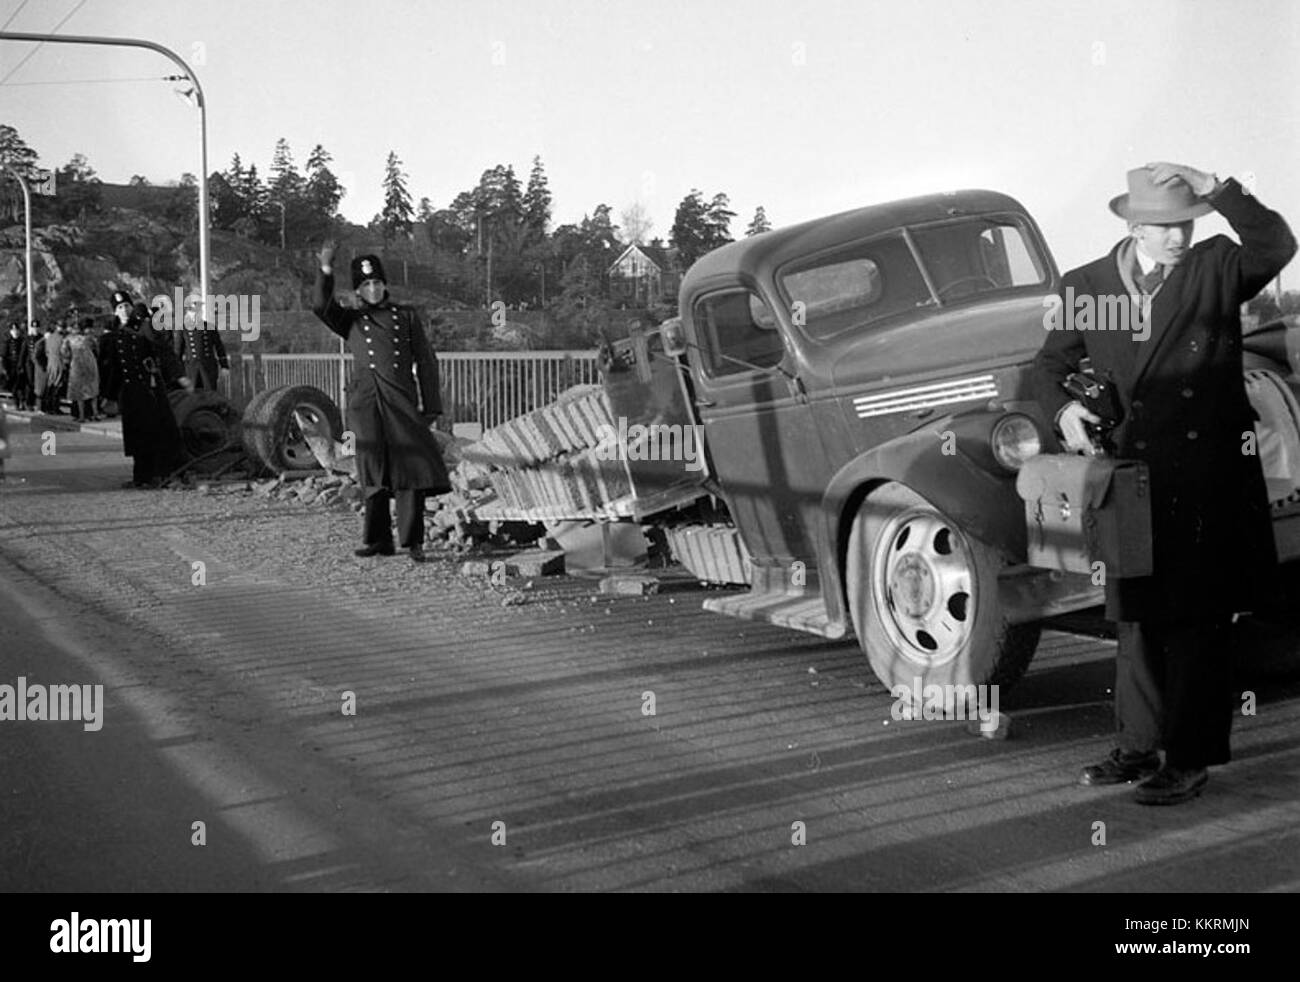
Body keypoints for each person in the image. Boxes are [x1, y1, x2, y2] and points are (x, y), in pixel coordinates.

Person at [1033, 162, 1296, 805]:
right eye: (1164, 227)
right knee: (1138, 620)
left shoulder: (1216, 267)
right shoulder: (1088, 285)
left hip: (1208, 478)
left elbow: (1278, 245)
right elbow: (1047, 364)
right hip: (1134, 479)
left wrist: (1220, 190)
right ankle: (1137, 745)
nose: (1178, 237)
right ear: (1134, 225)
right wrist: (1064, 408)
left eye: (1185, 223)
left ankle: (1188, 755)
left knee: (1198, 621)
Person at [311, 244, 450, 561]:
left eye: (377, 283)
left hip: (400, 399)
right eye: (365, 285)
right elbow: (320, 305)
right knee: (371, 470)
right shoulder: (350, 319)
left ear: (385, 284)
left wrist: (431, 406)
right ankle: (378, 541)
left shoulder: (407, 316)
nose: (372, 289)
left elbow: (426, 361)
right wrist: (326, 270)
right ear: (358, 290)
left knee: (409, 469)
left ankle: (413, 541)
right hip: (366, 403)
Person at [98, 289, 186, 488]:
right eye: (120, 307)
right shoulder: (114, 337)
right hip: (130, 393)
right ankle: (141, 477)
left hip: (150, 389)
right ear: (115, 312)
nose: (124, 310)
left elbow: (164, 351)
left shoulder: (145, 327)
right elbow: (114, 370)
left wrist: (179, 375)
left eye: (127, 306)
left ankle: (162, 474)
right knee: (136, 436)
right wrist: (108, 396)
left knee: (157, 432)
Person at [173, 293, 230, 390]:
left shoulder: (210, 327)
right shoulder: (183, 328)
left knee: (210, 395)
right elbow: (178, 352)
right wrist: (178, 373)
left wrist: (224, 366)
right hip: (191, 369)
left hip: (208, 367)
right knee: (193, 398)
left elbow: (219, 347)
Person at [62, 317, 101, 421]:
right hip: (91, 364)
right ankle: (95, 414)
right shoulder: (91, 338)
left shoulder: (69, 339)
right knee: (93, 391)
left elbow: (64, 353)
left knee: (79, 393)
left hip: (77, 366)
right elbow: (97, 350)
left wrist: (67, 362)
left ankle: (81, 415)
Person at [2, 321, 30, 409]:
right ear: (10, 331)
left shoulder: (22, 341)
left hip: (21, 365)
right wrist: (5, 369)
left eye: (16, 329)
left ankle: (23, 401)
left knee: (22, 385)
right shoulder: (8, 342)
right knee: (14, 386)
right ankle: (17, 403)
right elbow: (4, 356)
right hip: (11, 366)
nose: (15, 331)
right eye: (13, 330)